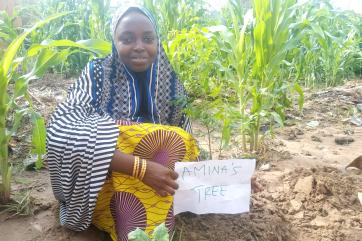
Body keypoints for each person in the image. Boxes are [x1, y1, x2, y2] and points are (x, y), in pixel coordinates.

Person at [46, 4, 199, 241]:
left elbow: (188, 143)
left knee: (174, 138)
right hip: (107, 182)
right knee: (135, 133)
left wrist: (230, 179)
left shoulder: (170, 81)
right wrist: (139, 167)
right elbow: (61, 129)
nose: (139, 47)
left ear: (157, 41)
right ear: (114, 41)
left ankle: (156, 227)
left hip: (162, 183)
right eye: (127, 39)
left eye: (147, 38)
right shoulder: (97, 74)